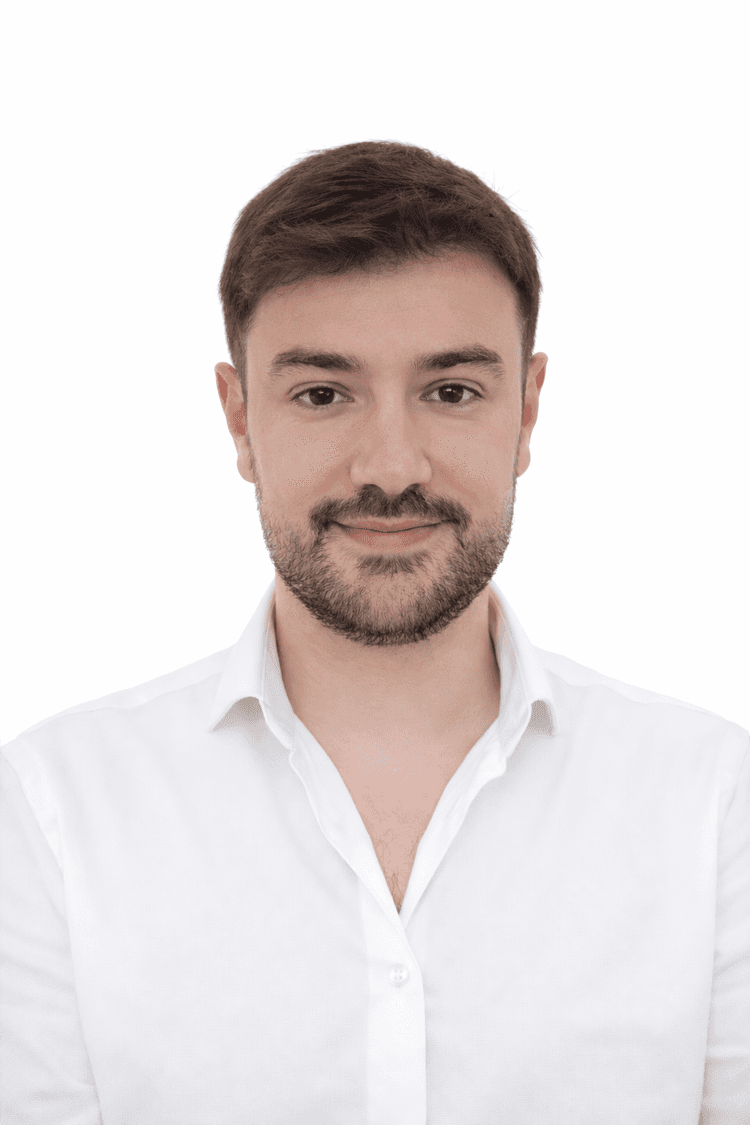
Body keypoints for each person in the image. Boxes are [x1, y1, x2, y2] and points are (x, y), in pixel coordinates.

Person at [0, 141, 747, 1125]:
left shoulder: (712, 805)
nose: (391, 466)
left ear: (527, 411)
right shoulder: (55, 811)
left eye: (451, 391)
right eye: (323, 394)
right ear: (239, 419)